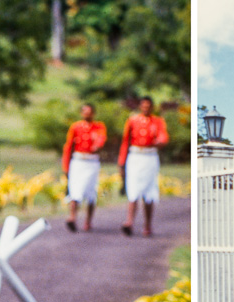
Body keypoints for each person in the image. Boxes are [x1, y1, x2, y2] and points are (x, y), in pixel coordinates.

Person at [118, 95, 169, 237]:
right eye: (143, 106)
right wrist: (121, 162)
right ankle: (129, 221)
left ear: (152, 107)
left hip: (150, 157)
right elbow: (125, 142)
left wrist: (160, 141)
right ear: (140, 106)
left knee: (148, 192)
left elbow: (163, 137)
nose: (146, 108)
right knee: (133, 189)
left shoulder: (158, 121)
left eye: (148, 106)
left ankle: (147, 225)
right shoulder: (132, 120)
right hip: (135, 156)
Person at [62, 102, 107, 232]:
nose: (87, 114)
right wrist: (66, 166)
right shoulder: (75, 127)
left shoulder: (99, 127)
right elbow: (68, 147)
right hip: (78, 161)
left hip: (91, 162)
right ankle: (72, 217)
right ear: (81, 113)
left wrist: (97, 145)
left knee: (90, 191)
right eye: (84, 112)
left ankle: (88, 221)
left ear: (93, 113)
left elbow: (101, 139)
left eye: (89, 112)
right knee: (75, 189)